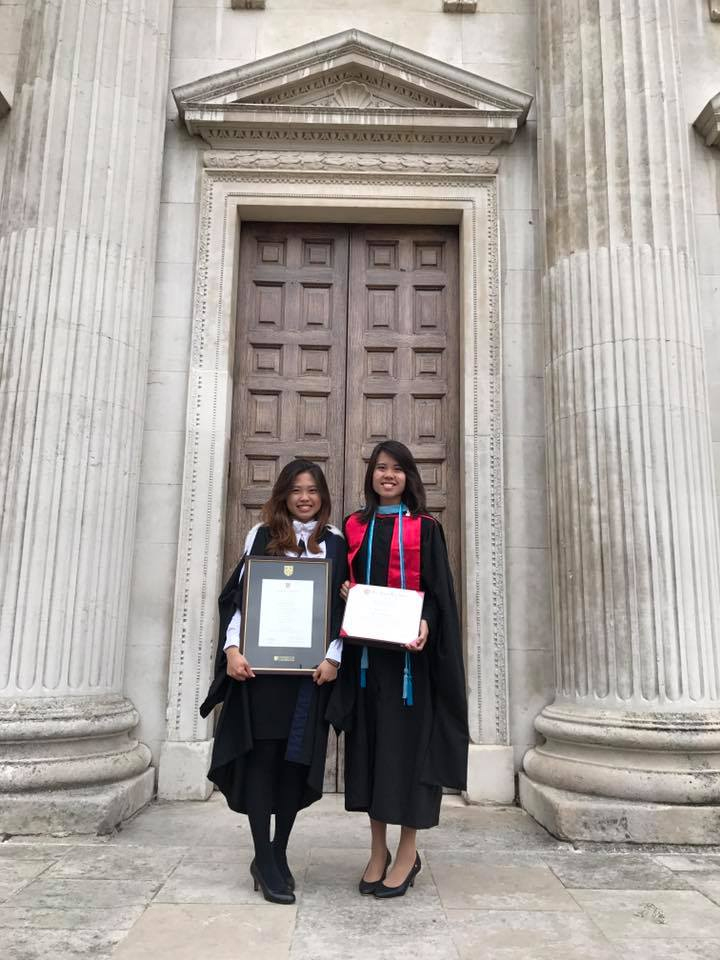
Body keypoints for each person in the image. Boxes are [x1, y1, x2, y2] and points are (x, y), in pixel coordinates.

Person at [200, 459, 347, 905]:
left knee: (293, 766)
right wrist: (231, 650)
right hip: (262, 676)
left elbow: (342, 612)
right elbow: (240, 601)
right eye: (296, 490)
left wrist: (333, 658)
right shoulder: (261, 536)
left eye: (313, 490)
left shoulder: (336, 544)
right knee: (263, 762)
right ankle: (263, 857)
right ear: (284, 494)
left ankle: (278, 851)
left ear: (323, 497)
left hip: (310, 679)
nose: (305, 498)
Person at [327, 440, 468, 899]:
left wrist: (426, 623)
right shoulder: (354, 526)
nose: (388, 475)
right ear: (370, 475)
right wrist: (346, 591)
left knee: (407, 757)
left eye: (397, 469)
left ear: (409, 476)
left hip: (410, 667)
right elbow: (337, 587)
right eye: (380, 468)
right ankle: (376, 850)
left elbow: (438, 592)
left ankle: (407, 851)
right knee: (370, 754)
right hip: (367, 667)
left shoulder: (426, 528)